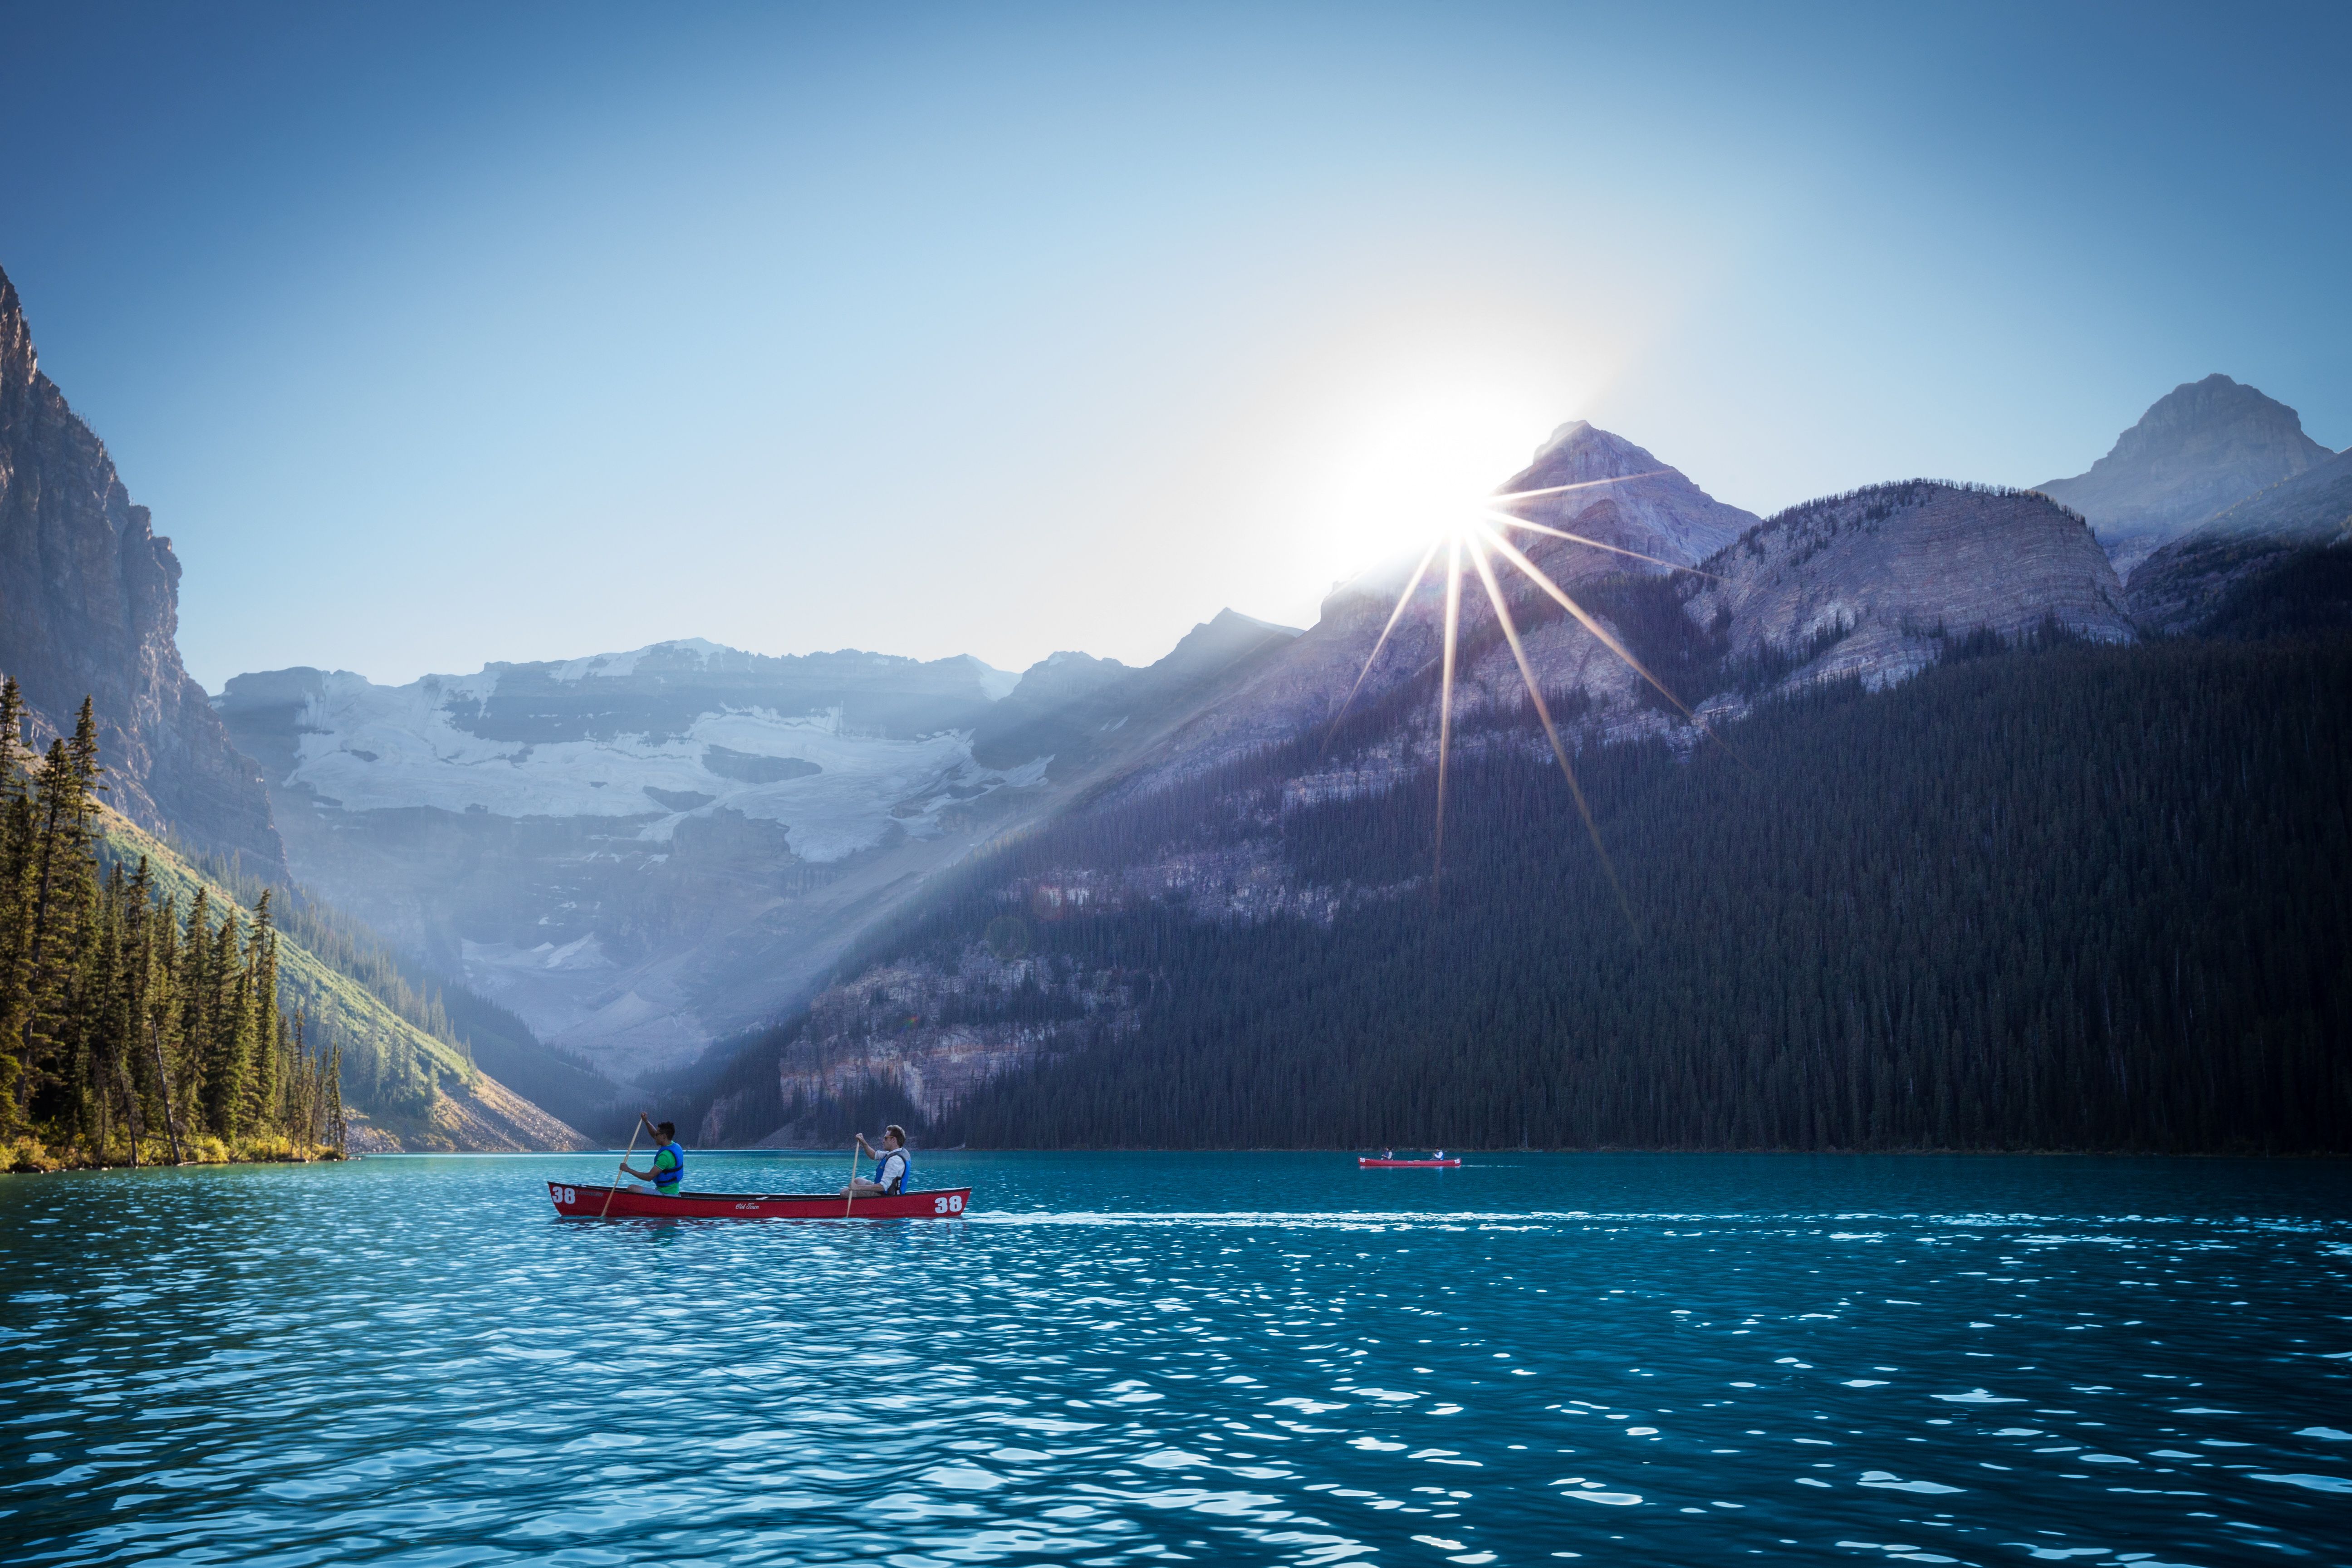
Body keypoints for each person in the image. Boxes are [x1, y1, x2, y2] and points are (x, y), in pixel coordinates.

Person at [619, 1113, 686, 1196]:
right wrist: (646, 1121)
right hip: (674, 1193)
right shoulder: (674, 1145)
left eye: (657, 1135)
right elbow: (654, 1133)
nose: (655, 1136)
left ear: (664, 1136)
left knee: (631, 1188)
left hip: (665, 1194)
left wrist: (628, 1170)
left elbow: (649, 1177)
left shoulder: (665, 1156)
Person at [841, 1124, 911, 1197]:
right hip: (884, 1190)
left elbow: (883, 1187)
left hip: (887, 1196)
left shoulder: (895, 1160)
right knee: (857, 1181)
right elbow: (874, 1155)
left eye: (886, 1138)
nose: (883, 1141)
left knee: (844, 1193)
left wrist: (858, 1188)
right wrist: (863, 1142)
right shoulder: (896, 1152)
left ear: (893, 1140)